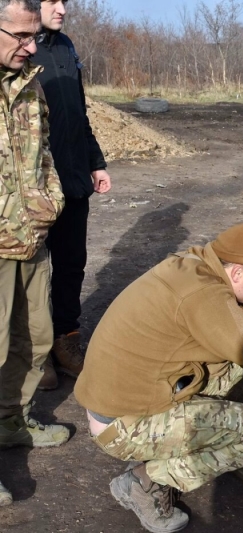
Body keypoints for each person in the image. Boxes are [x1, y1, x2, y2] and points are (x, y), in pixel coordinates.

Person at [74, 223, 243, 533]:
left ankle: (167, 449)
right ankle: (145, 482)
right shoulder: (203, 296)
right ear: (236, 274)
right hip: (124, 425)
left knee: (229, 367)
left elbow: (239, 313)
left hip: (119, 402)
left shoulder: (193, 266)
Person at [0, 0, 70, 506]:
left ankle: (11, 421)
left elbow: (42, 152)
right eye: (20, 37)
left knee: (36, 336)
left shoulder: (30, 84)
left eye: (32, 36)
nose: (30, 46)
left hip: (31, 236)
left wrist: (51, 200)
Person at [32, 0, 112, 390]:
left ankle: (65, 341)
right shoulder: (16, 47)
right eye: (53, 1)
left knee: (71, 264)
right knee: (31, 271)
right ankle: (35, 353)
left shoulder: (66, 46)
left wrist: (95, 162)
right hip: (32, 184)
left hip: (73, 178)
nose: (62, 8)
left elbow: (79, 113)